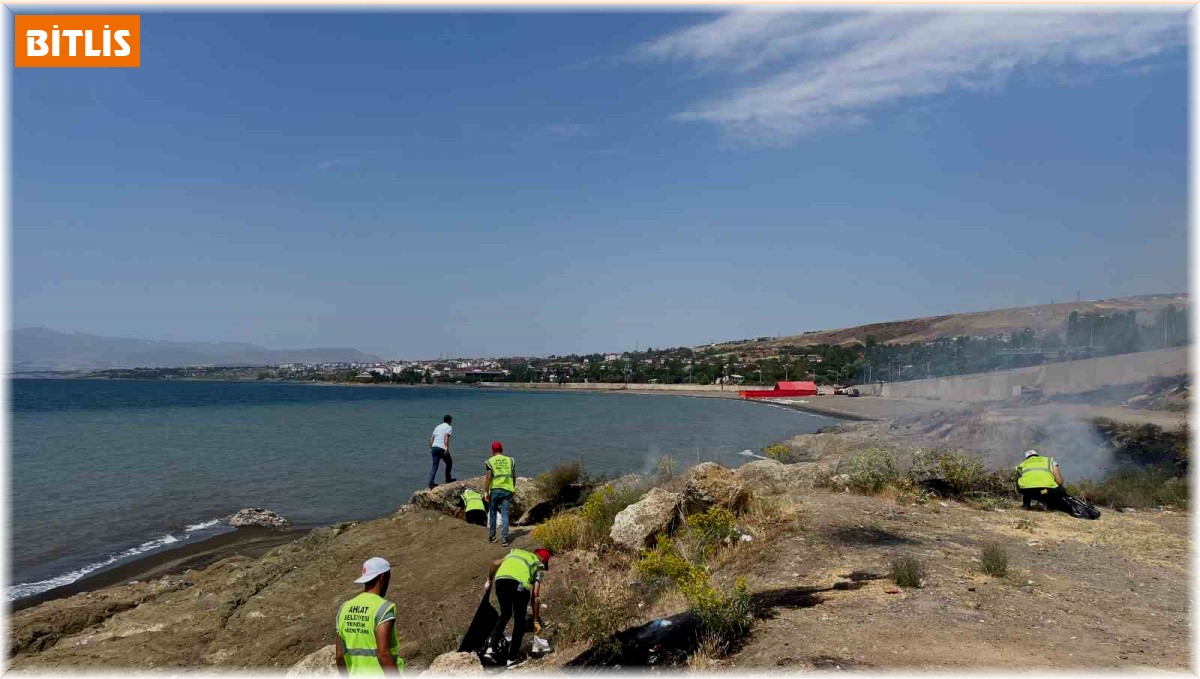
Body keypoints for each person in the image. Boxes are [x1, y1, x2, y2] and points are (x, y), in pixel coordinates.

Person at [335, 557, 403, 676]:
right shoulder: (383, 609)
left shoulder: (344, 608)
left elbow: (340, 655)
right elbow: (383, 655)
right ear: (382, 578)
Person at [483, 547, 551, 667]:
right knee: (519, 622)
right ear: (544, 561)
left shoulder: (515, 553)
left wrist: (489, 580)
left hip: (501, 582)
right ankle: (512, 658)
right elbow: (535, 594)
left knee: (505, 615)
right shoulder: (538, 565)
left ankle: (490, 649)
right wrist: (535, 620)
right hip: (518, 586)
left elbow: (495, 563)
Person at [483, 441, 516, 546]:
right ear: (502, 449)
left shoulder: (490, 461)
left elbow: (488, 477)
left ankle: (492, 537)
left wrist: (485, 491)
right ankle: (505, 539)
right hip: (507, 489)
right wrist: (513, 488)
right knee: (505, 514)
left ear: (493, 451)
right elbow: (514, 476)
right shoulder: (510, 460)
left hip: (495, 490)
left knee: (492, 513)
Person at [428, 415, 455, 489]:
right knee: (449, 462)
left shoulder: (437, 427)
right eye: (451, 420)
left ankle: (431, 482)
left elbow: (432, 437)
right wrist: (446, 447)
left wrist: (431, 447)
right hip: (441, 448)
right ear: (449, 420)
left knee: (435, 466)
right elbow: (446, 436)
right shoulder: (449, 427)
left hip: (434, 448)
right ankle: (448, 479)